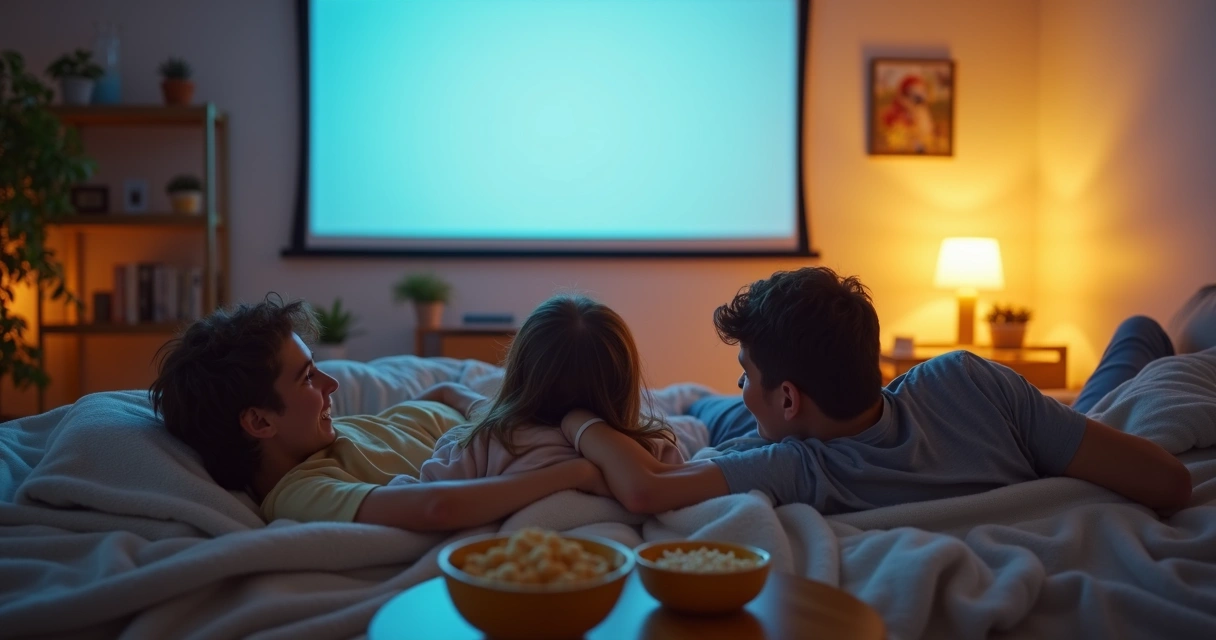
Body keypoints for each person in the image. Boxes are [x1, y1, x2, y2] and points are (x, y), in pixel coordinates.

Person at [563, 267, 1193, 516]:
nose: (742, 383)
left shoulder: (795, 464)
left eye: (747, 374)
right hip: (1047, 421)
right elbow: (1171, 483)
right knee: (1140, 330)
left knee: (709, 408)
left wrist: (579, 420)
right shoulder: (967, 377)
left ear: (788, 400)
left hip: (764, 438)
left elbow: (645, 488)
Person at [149, 295, 608, 530]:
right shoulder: (300, 493)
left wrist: (501, 412)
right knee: (574, 337)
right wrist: (574, 475)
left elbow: (446, 392)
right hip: (511, 446)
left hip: (496, 416)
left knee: (572, 334)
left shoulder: (323, 434)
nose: (331, 385)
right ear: (260, 422)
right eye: (308, 378)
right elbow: (436, 506)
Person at [408, 294, 685, 484]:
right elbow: (681, 487)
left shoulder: (484, 441)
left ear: (519, 374)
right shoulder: (651, 449)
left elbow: (429, 490)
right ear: (623, 381)